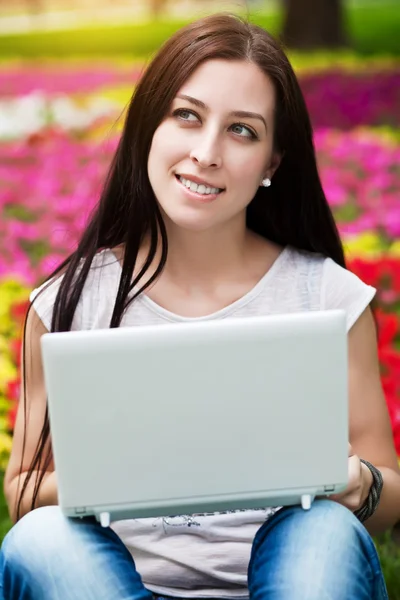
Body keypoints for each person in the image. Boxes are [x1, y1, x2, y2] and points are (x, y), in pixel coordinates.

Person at [1, 13, 399, 600]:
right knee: (40, 540)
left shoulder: (327, 298)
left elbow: (388, 495)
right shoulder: (67, 303)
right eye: (187, 116)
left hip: (291, 581)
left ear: (272, 164)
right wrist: (144, 470)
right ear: (147, 128)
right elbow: (24, 495)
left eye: (243, 131)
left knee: (324, 533)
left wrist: (355, 482)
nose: (207, 152)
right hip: (116, 585)